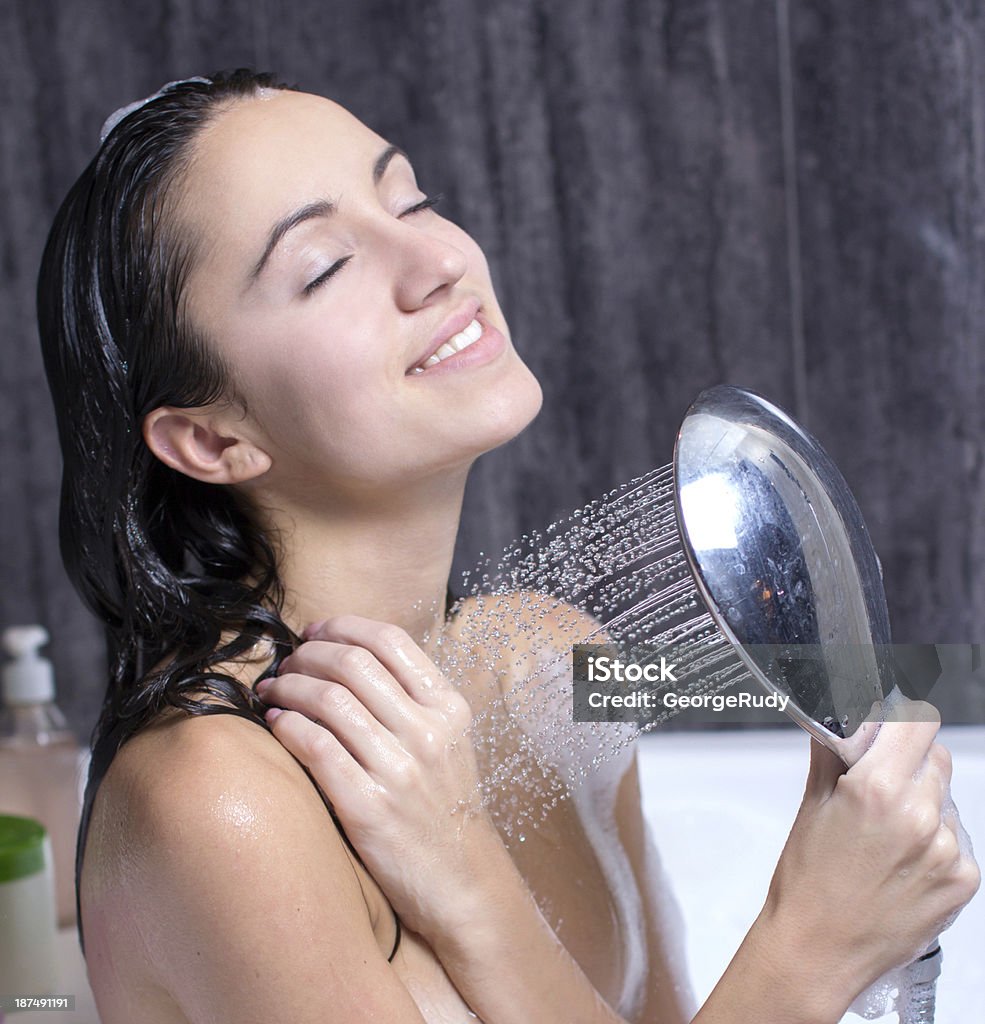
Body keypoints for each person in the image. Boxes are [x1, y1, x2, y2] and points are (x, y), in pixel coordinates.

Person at [36, 69, 978, 1024]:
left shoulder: (541, 660)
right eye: (324, 265)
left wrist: (468, 877)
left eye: (410, 198)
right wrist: (814, 940)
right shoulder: (219, 802)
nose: (435, 260)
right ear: (211, 440)